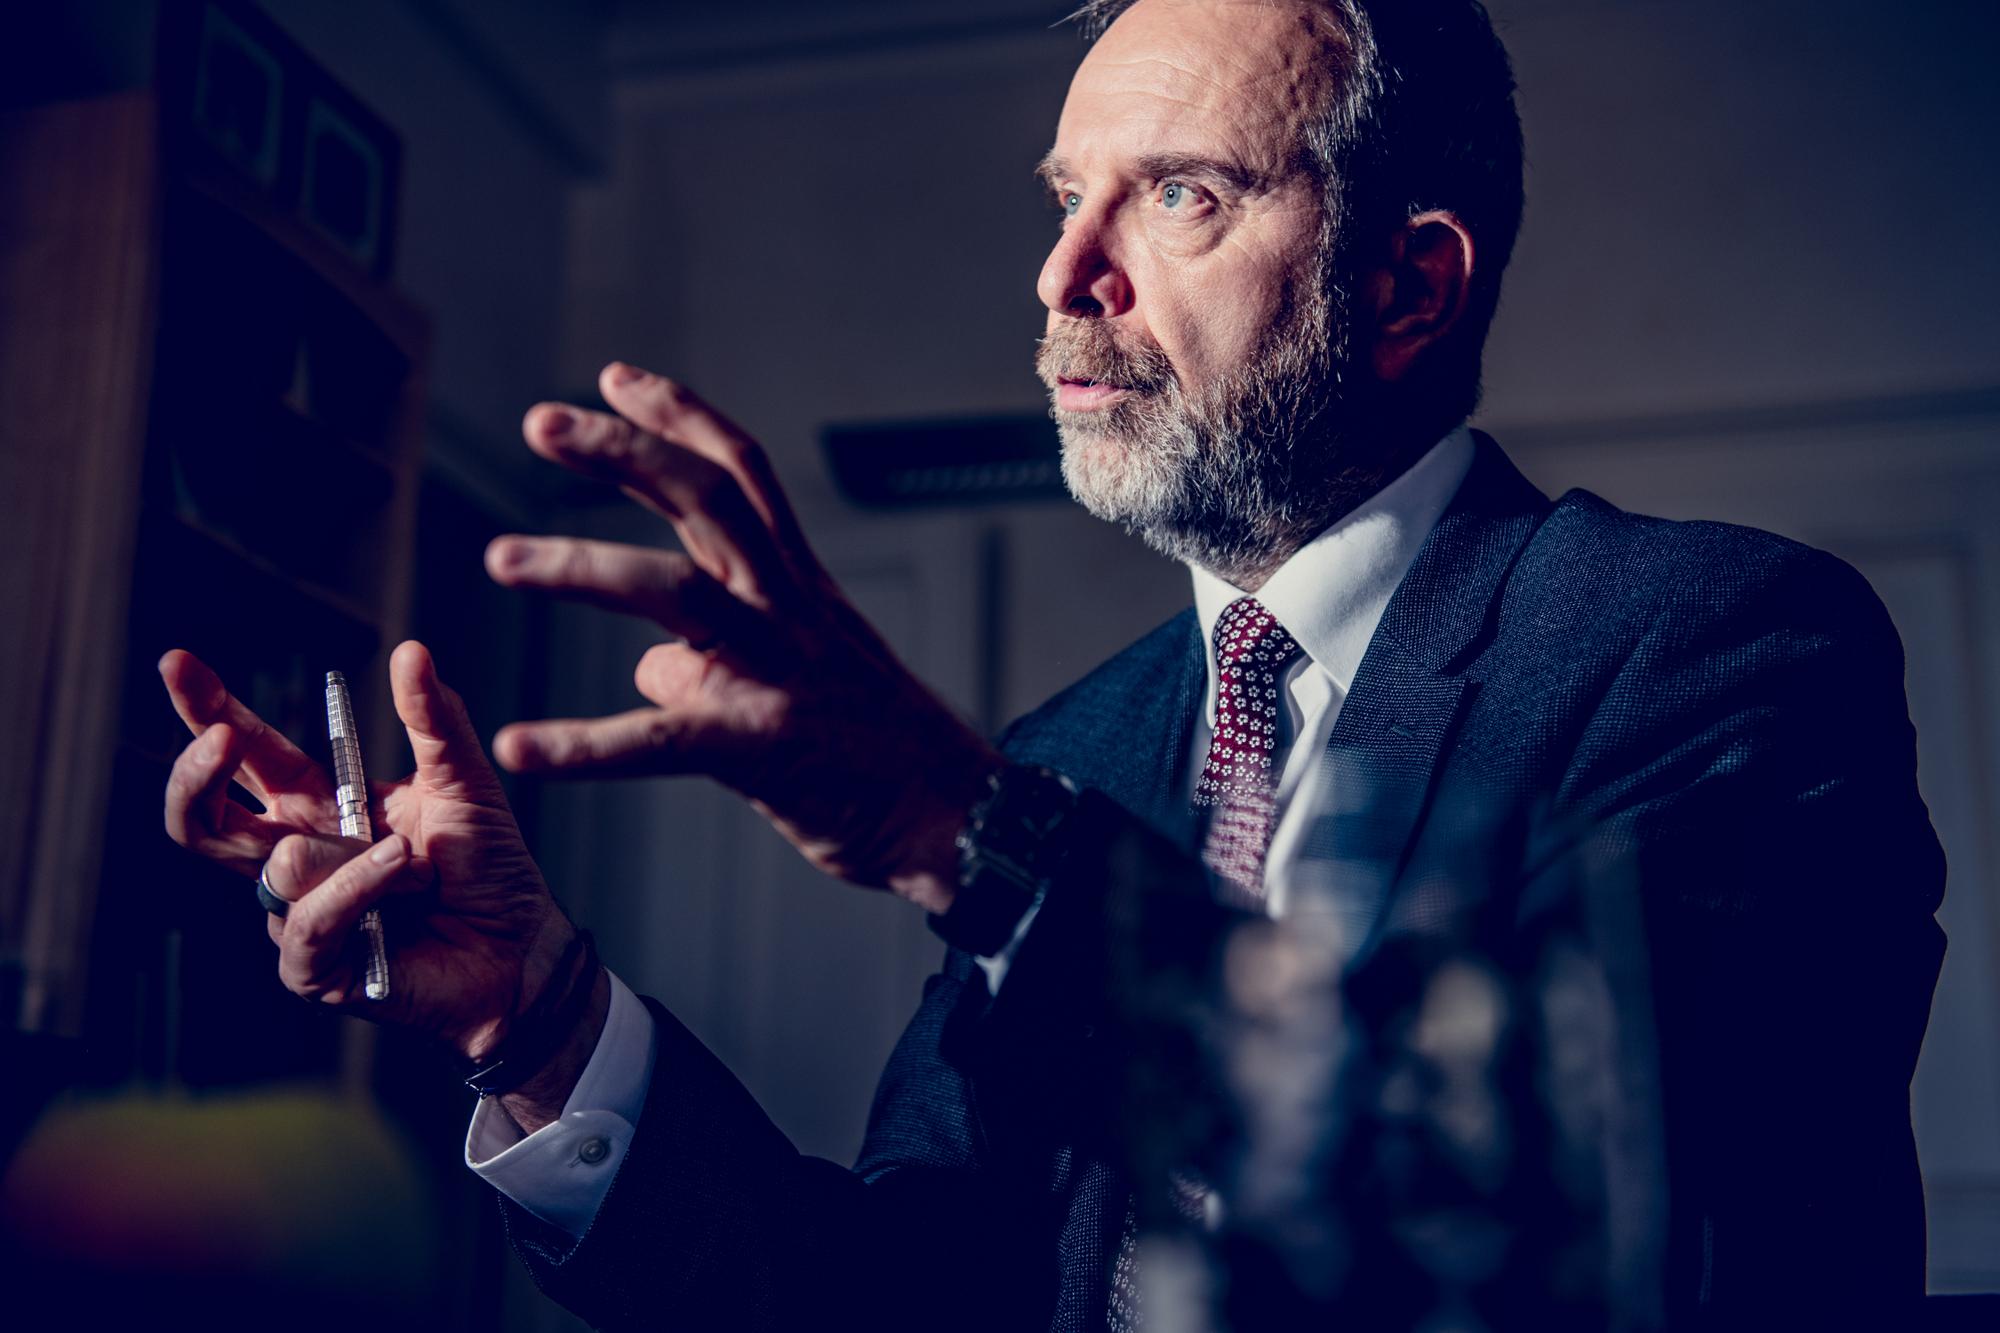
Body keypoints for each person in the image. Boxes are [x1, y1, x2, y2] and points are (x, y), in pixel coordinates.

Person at [158, 0, 1945, 1327]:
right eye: (1064, 193)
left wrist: (964, 834)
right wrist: (530, 1011)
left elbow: (1588, 1238)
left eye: (1177, 194)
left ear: (1411, 290)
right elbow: (904, 1297)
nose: (1061, 271)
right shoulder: (1075, 747)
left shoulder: (1709, 648)